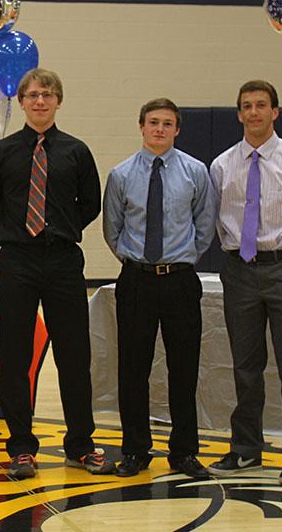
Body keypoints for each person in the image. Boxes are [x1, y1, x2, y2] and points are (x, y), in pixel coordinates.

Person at [0, 68, 114, 478]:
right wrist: (20, 232)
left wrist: (58, 226)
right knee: (16, 357)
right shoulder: (2, 152)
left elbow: (90, 203)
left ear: (58, 101)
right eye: (33, 95)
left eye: (48, 95)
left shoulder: (76, 151)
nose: (40, 101)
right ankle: (21, 446)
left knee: (75, 356)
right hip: (18, 260)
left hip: (63, 260)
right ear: (21, 102)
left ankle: (80, 444)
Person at [207, 80, 282, 486]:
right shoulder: (221, 165)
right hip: (239, 270)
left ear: (276, 112)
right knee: (245, 365)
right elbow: (218, 216)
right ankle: (246, 450)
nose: (254, 112)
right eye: (246, 106)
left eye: (261, 105)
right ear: (238, 114)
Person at [102, 98, 216, 478]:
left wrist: (182, 259)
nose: (160, 129)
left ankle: (184, 452)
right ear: (141, 126)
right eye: (153, 122)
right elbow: (112, 229)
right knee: (132, 369)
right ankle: (135, 449)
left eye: (168, 123)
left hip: (180, 280)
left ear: (177, 129)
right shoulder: (120, 175)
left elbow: (205, 226)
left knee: (184, 369)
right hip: (136, 279)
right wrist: (134, 261)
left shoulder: (195, 172)